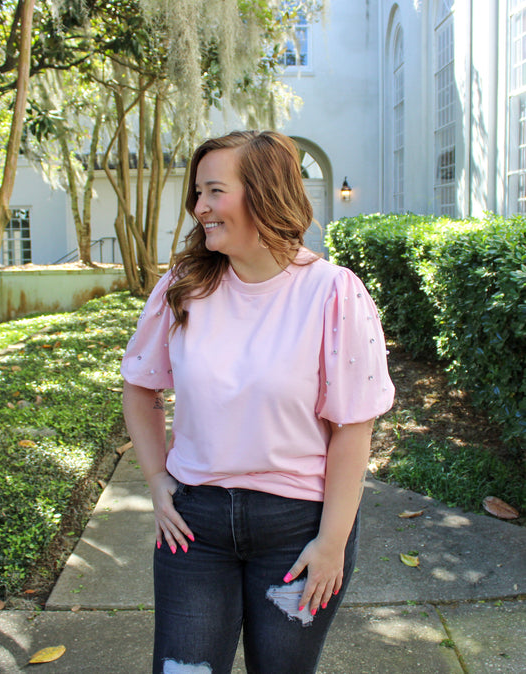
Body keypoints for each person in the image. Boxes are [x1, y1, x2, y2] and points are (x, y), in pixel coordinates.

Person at [121, 130, 394, 674]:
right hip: (194, 526)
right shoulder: (183, 286)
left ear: (264, 195)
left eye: (214, 191)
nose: (199, 208)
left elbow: (353, 428)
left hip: (297, 529)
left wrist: (332, 542)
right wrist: (156, 481)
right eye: (197, 193)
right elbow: (140, 385)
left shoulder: (332, 292)